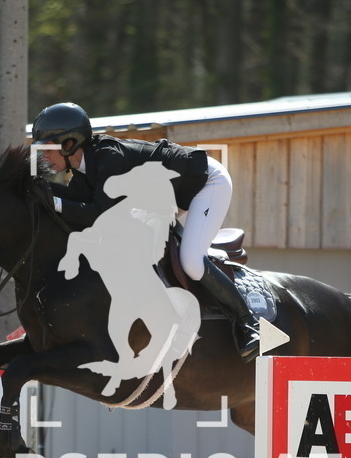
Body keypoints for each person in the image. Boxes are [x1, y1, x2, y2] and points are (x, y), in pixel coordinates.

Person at [31, 102, 261, 361]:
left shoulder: (108, 157)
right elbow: (77, 205)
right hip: (168, 198)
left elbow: (97, 213)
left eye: (47, 149)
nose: (44, 157)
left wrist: (53, 201)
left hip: (206, 183)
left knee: (191, 262)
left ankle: (249, 323)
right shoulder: (85, 171)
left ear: (69, 143)